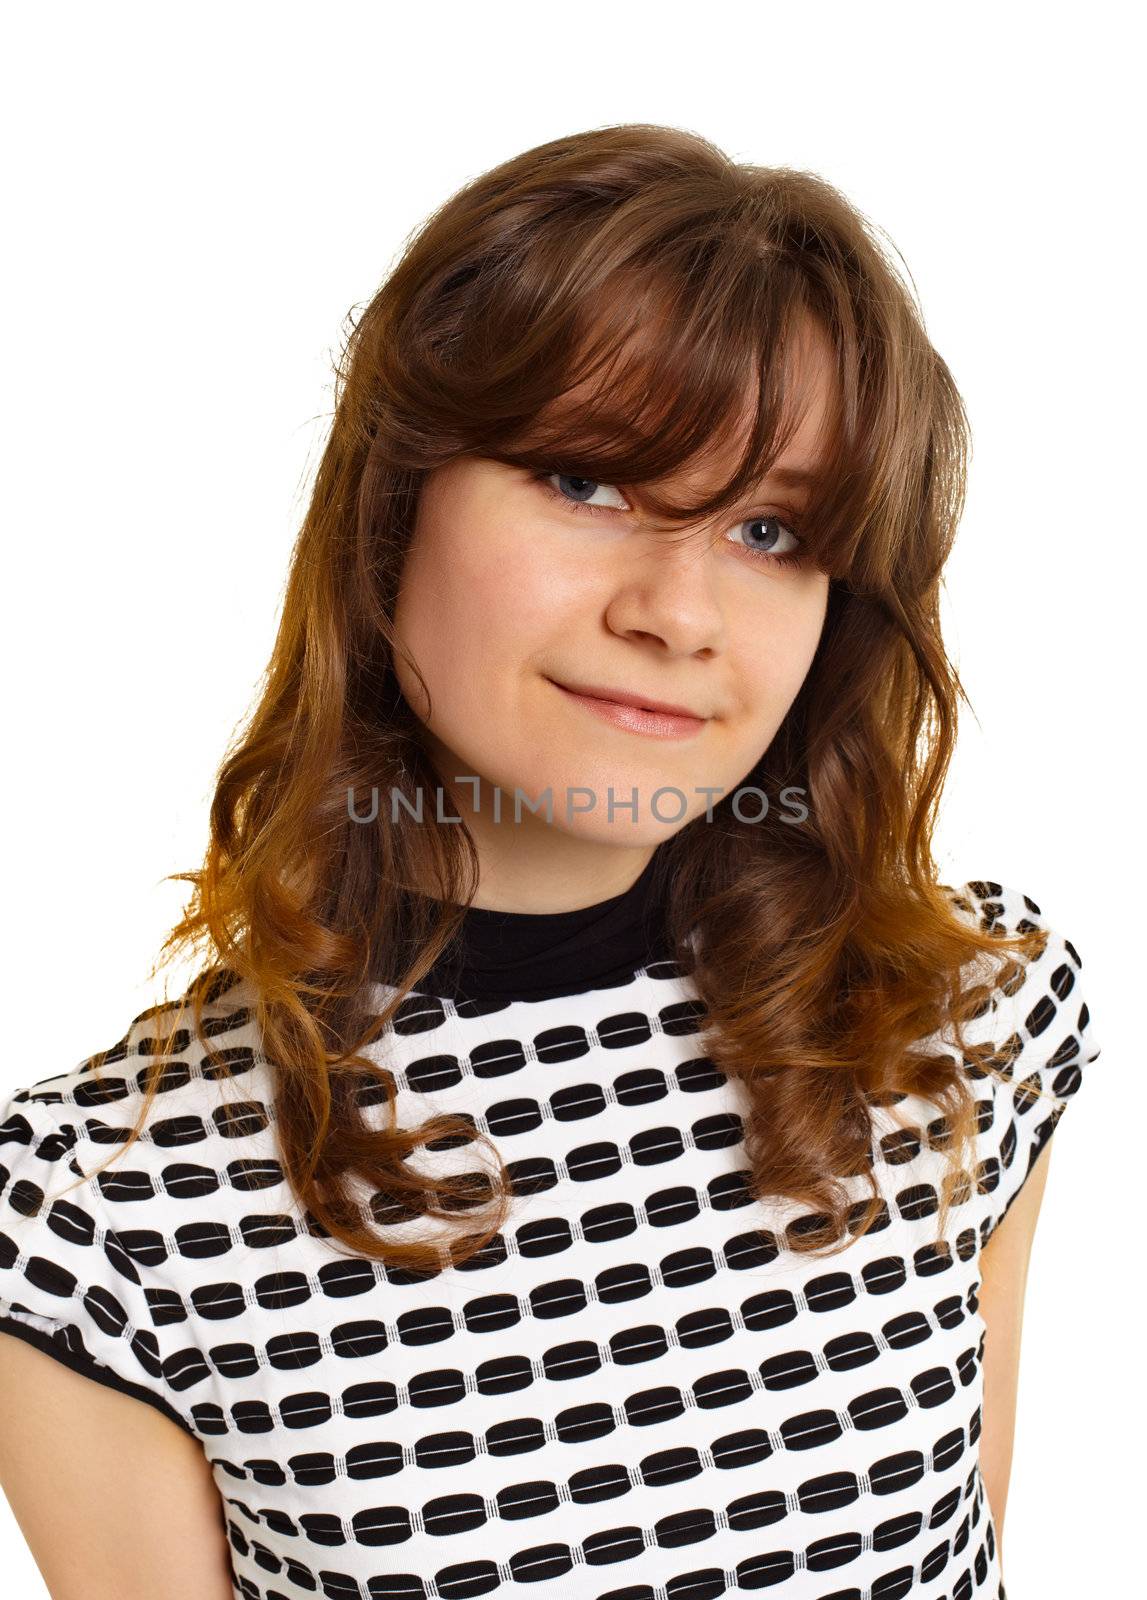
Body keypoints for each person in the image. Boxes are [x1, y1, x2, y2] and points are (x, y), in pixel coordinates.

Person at [0, 124, 1100, 1600]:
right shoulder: (100, 1213)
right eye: (589, 481)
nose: (680, 611)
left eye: (772, 528)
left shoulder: (966, 1022)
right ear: (393, 509)